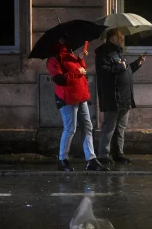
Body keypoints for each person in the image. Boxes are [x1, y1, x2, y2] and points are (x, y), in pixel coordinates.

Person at [47, 37, 109, 171]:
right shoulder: (54, 59)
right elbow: (59, 79)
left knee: (87, 126)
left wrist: (80, 58)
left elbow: (82, 69)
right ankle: (62, 160)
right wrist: (77, 72)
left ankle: (91, 159)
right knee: (70, 128)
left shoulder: (69, 54)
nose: (65, 40)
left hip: (80, 95)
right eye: (63, 39)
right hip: (67, 98)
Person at [95, 29, 146, 164]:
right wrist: (120, 68)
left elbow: (125, 70)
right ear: (112, 39)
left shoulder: (118, 53)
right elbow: (104, 72)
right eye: (120, 37)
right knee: (109, 126)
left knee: (121, 127)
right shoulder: (104, 53)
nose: (122, 40)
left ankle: (118, 153)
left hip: (124, 96)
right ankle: (103, 155)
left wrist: (136, 64)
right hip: (113, 96)